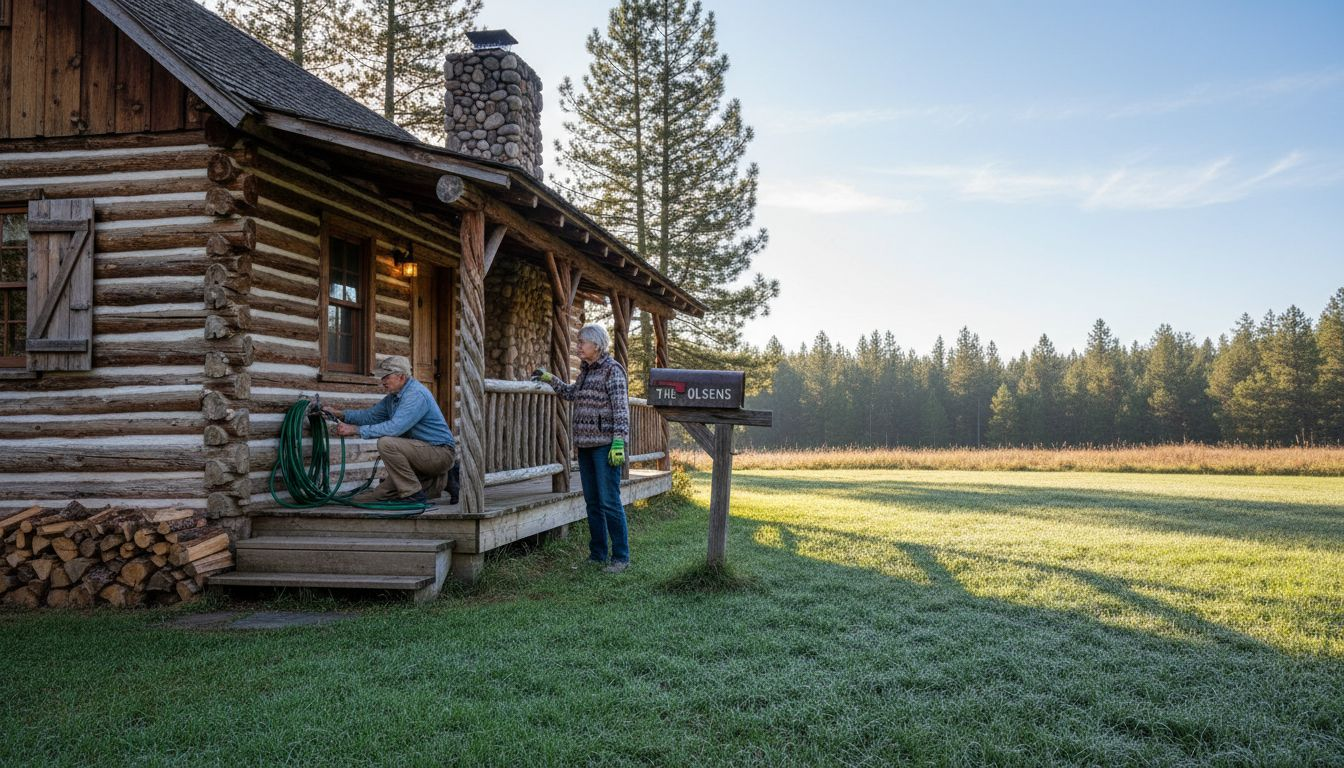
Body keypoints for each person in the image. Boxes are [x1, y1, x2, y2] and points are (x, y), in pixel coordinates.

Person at [533, 324, 631, 573]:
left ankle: (620, 557)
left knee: (609, 502)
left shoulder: (613, 371)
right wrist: (549, 379)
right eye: (577, 342)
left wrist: (619, 442)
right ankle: (597, 555)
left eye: (581, 342)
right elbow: (570, 393)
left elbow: (621, 409)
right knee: (592, 503)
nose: (578, 347)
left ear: (596, 345)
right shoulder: (585, 372)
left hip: (605, 447)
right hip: (585, 447)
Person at [328, 355, 457, 505]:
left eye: (386, 377)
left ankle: (413, 494)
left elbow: (394, 428)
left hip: (440, 452)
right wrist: (341, 414)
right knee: (374, 497)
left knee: (386, 443)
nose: (382, 381)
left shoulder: (415, 395)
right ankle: (445, 480)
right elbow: (370, 416)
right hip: (420, 453)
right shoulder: (393, 397)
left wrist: (355, 429)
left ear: (401, 377)